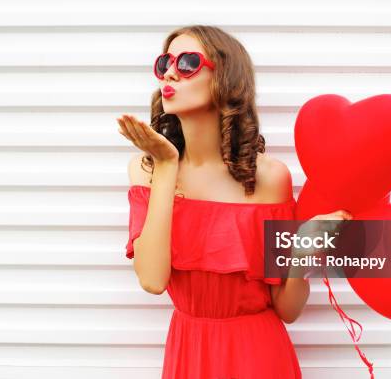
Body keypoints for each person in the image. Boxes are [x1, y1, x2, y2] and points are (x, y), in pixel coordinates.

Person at [118, 25, 351, 379]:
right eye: (165, 62)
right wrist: (166, 165)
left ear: (225, 79)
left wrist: (302, 253)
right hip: (188, 352)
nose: (169, 72)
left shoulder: (270, 178)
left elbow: (287, 310)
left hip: (257, 354)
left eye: (188, 63)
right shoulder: (147, 169)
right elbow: (152, 280)